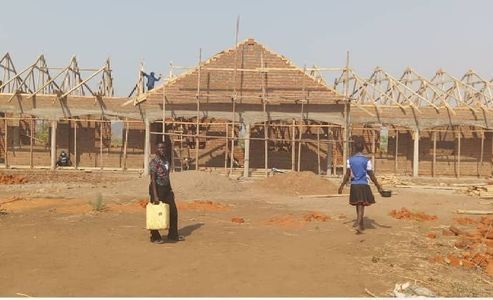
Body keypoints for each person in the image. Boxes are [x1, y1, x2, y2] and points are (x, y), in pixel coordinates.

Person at [338, 138, 383, 233]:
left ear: (354, 148)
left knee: (358, 204)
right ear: (363, 149)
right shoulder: (366, 161)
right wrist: (378, 186)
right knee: (361, 205)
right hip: (363, 185)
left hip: (354, 185)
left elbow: (347, 174)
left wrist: (342, 185)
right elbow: (371, 175)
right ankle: (359, 224)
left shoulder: (350, 160)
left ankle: (361, 224)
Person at [148, 141, 184, 244]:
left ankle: (173, 234)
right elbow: (153, 180)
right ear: (156, 149)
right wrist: (155, 196)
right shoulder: (154, 163)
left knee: (173, 211)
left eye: (163, 148)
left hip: (167, 189)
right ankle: (154, 236)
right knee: (155, 213)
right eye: (159, 148)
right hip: (157, 189)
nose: (162, 149)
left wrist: (170, 189)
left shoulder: (166, 160)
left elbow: (167, 176)